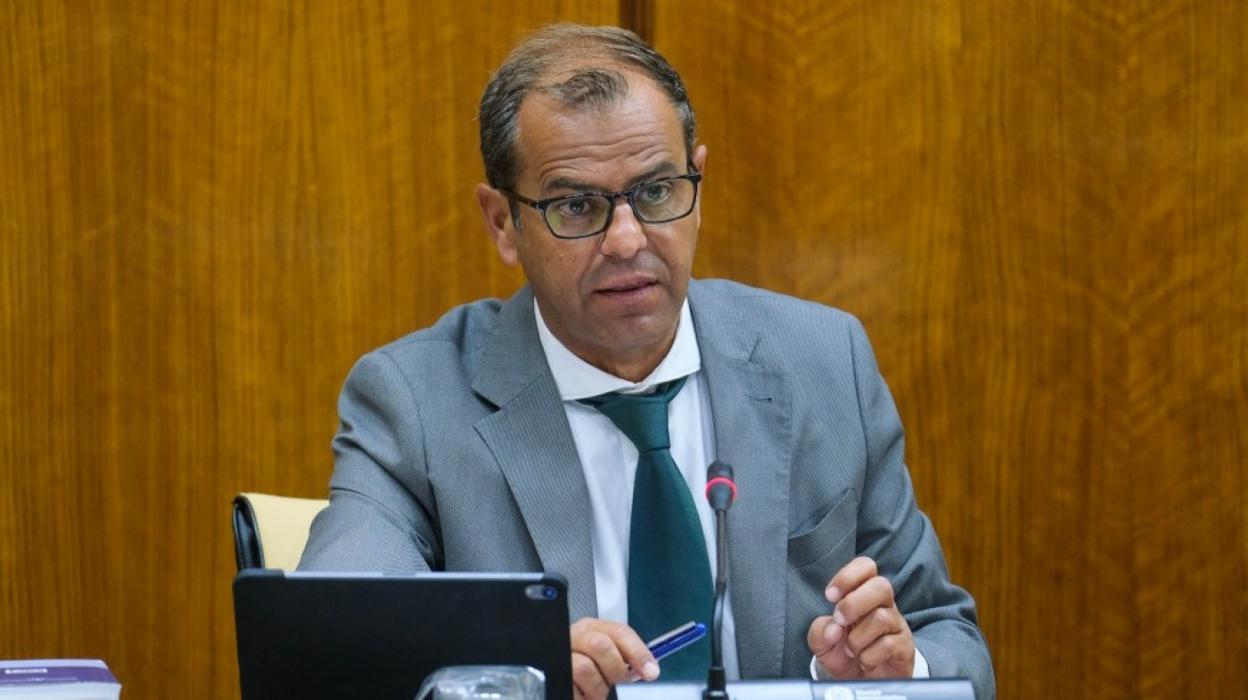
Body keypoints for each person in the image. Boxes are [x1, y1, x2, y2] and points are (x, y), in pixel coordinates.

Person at [299, 23, 994, 700]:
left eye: (657, 192)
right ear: (502, 223)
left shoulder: (823, 362)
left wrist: (896, 674)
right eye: (577, 206)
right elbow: (335, 647)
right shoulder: (415, 403)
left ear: (699, 183)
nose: (628, 240)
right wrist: (511, 672)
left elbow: (949, 637)